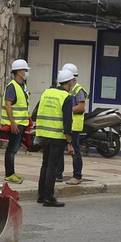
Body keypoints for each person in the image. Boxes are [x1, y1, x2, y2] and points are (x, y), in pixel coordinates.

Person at [33, 68, 75, 207]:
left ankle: (41, 195)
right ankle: (49, 198)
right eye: (72, 81)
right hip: (57, 136)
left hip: (43, 134)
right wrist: (70, 142)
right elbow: (67, 122)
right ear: (69, 82)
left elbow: (37, 111)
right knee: (52, 165)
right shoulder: (66, 97)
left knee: (45, 164)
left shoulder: (47, 92)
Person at [0, 59, 30, 185]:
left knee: (14, 149)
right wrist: (12, 123)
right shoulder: (12, 86)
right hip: (15, 124)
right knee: (12, 149)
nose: (27, 72)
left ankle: (11, 173)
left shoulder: (22, 86)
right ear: (18, 72)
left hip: (21, 122)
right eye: (25, 70)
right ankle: (9, 174)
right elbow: (8, 105)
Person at [64, 63, 89, 184]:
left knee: (74, 150)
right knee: (59, 150)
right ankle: (58, 174)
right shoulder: (64, 88)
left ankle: (77, 176)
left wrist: (66, 110)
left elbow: (81, 107)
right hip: (65, 124)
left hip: (74, 125)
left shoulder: (78, 89)